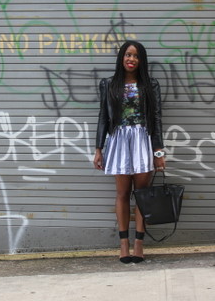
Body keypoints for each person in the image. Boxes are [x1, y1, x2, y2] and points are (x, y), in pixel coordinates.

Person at [93, 40, 165, 264]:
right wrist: (98, 148)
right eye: (127, 55)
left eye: (135, 56)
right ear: (121, 58)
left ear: (141, 60)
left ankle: (139, 244)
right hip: (118, 141)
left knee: (142, 195)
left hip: (143, 140)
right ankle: (123, 244)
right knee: (122, 194)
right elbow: (103, 117)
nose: (131, 59)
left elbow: (156, 118)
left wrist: (159, 152)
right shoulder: (109, 84)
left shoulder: (150, 85)